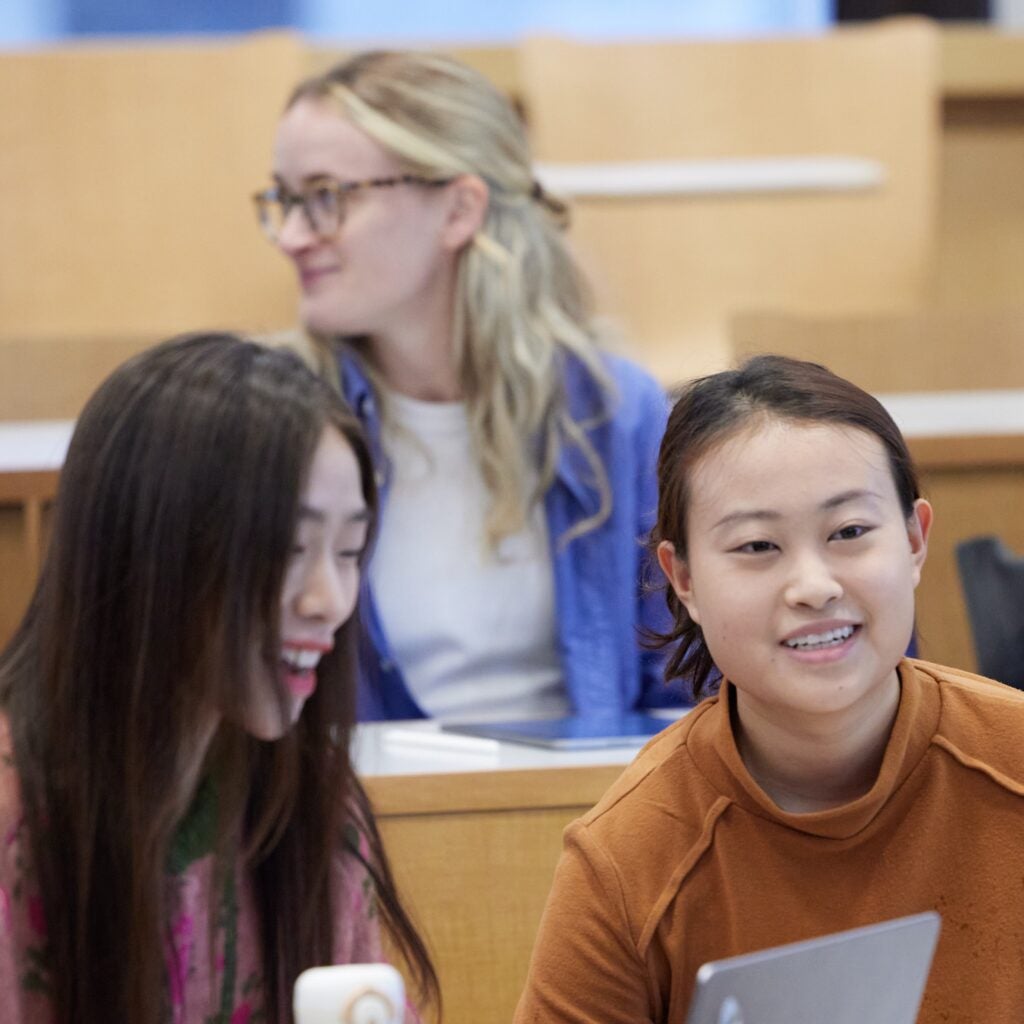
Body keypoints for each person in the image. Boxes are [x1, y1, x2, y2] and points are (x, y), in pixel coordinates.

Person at [514, 354, 1024, 1023]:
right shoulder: (628, 857)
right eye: (757, 546)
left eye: (849, 532)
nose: (813, 585)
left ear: (914, 540)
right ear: (684, 578)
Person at [0, 334, 438, 1024]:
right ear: (155, 553)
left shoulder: (309, 805)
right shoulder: (18, 813)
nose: (329, 598)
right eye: (290, 549)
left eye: (349, 551)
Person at [253, 50, 685, 721]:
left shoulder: (614, 412)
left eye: (326, 197)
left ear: (458, 210)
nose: (290, 236)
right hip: (355, 817)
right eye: (284, 200)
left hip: (587, 810)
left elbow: (683, 684)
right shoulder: (270, 421)